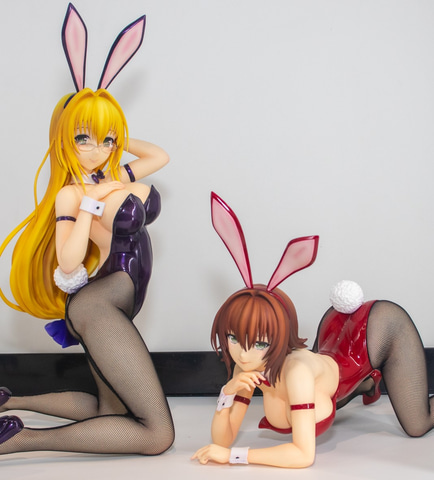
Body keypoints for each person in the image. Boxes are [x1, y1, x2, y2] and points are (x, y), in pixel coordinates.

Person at [0, 4, 174, 456]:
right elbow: (69, 261)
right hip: (100, 302)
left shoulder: (115, 174)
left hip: (118, 296)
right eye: (83, 137)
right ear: (65, 139)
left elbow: (159, 156)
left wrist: (110, 129)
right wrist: (91, 205)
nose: (96, 149)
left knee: (107, 408)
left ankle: (8, 402)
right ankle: (18, 439)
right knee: (157, 435)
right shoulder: (72, 195)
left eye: (105, 140)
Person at [192, 193, 433, 468]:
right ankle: (367, 383)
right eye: (234, 338)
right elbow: (221, 440)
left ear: (281, 336)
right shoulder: (245, 368)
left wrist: (235, 457)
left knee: (417, 424)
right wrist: (227, 393)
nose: (243, 355)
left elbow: (303, 455)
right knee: (329, 395)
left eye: (259, 343)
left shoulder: (297, 374)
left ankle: (369, 377)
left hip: (377, 330)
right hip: (335, 342)